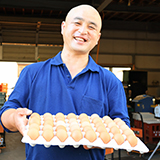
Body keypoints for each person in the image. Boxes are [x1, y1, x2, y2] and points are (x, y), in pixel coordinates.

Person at [0, 4, 130, 160]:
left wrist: (104, 138)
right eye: (77, 23)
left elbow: (122, 126)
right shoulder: (32, 72)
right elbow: (6, 113)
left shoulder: (110, 81)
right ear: (63, 27)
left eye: (91, 27)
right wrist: (14, 118)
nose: (83, 31)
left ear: (98, 38)